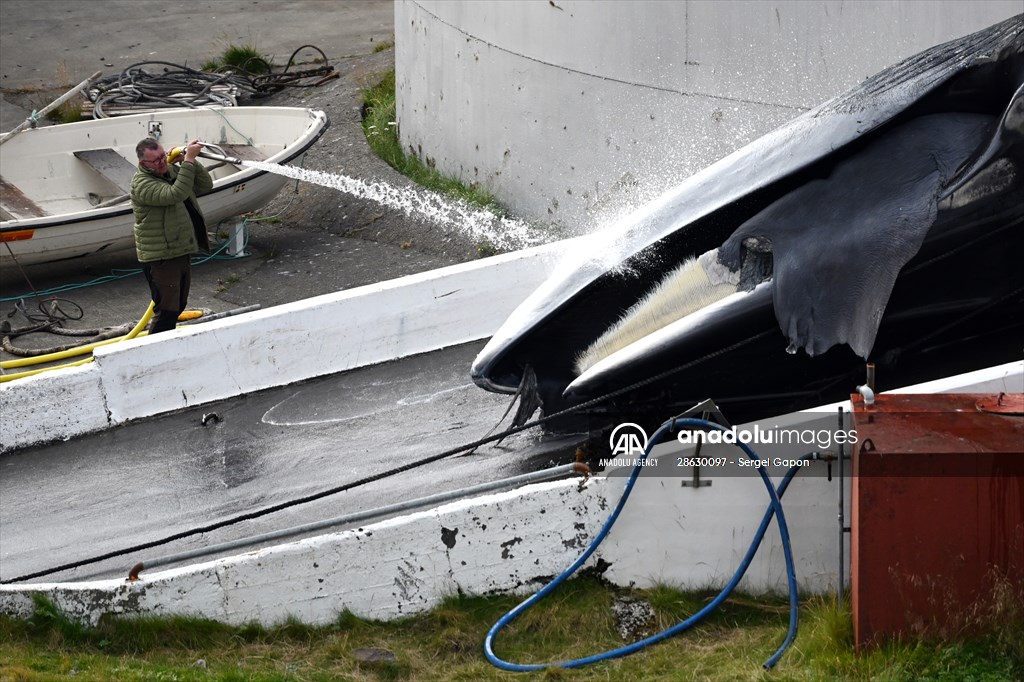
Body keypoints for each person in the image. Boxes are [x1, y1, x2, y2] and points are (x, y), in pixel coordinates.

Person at [130, 137, 214, 333]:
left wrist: (190, 160)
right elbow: (175, 194)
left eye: (163, 156)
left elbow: (205, 185)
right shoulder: (142, 184)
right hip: (161, 257)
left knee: (178, 306)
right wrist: (189, 162)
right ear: (144, 164)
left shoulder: (172, 171)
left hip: (180, 250)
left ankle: (163, 348)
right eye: (156, 160)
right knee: (166, 311)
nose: (162, 162)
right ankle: (154, 352)